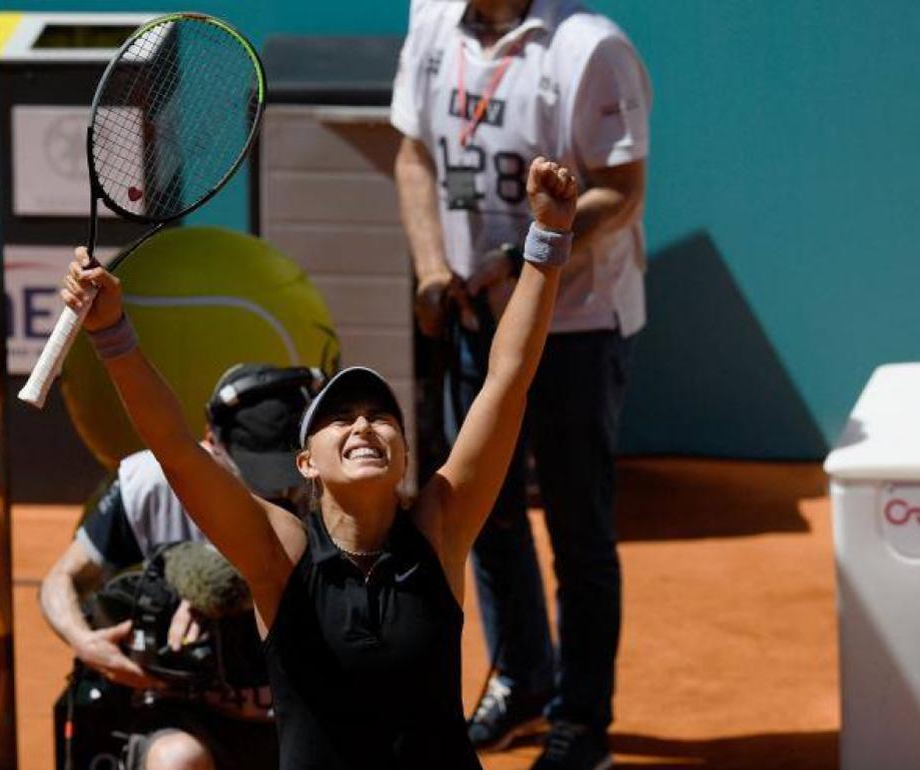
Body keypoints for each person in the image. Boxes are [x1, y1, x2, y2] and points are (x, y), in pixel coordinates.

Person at [59, 157, 576, 770]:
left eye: (382, 417)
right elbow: (174, 446)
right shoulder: (280, 552)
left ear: (405, 455)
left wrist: (548, 238)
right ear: (306, 462)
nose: (363, 424)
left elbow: (507, 380)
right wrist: (111, 332)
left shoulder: (440, 527)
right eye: (341, 418)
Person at [391, 1, 652, 768]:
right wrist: (433, 266)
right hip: (476, 320)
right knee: (482, 514)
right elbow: (413, 154)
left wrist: (532, 253)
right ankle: (524, 680)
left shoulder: (589, 47)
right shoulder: (431, 20)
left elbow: (622, 189)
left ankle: (582, 719)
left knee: (578, 530)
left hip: (578, 325)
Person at [40, 363, 321, 770]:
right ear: (211, 444)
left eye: (284, 468)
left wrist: (222, 585)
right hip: (186, 716)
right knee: (176, 761)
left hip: (296, 717)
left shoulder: (326, 488)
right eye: (256, 470)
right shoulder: (150, 483)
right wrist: (85, 642)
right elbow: (59, 580)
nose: (276, 489)